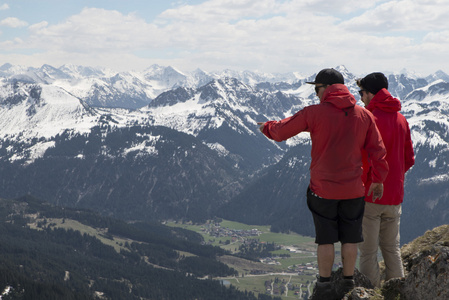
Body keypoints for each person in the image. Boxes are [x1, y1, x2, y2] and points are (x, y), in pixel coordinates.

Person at [257, 68, 389, 299]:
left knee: (326, 238)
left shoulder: (314, 113)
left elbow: (280, 132)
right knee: (351, 236)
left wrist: (266, 127)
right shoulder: (364, 115)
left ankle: (325, 285)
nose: (316, 94)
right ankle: (349, 283)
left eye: (317, 89)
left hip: (323, 190)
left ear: (327, 88)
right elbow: (379, 150)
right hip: (353, 189)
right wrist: (378, 180)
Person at [357, 73, 415, 287]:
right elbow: (409, 159)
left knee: (368, 252)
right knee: (392, 249)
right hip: (395, 197)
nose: (360, 98)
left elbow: (362, 158)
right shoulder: (401, 119)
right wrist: (395, 179)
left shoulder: (368, 119)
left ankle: (371, 293)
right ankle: (398, 291)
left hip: (371, 194)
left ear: (371, 93)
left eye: (362, 93)